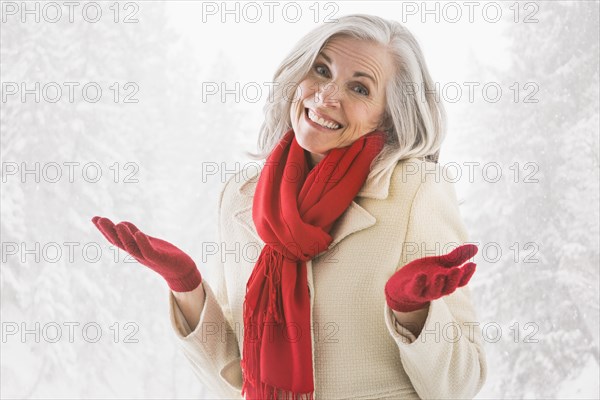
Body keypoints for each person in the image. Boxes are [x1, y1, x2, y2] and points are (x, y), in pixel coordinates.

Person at [92, 14, 487, 400]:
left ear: (388, 116)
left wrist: (412, 313)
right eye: (321, 70)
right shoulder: (243, 196)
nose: (327, 96)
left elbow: (460, 387)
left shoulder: (415, 192)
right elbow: (236, 380)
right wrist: (186, 286)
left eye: (360, 89)